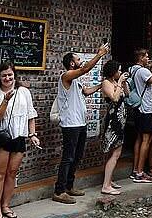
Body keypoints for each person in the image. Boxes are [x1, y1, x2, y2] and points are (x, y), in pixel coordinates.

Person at [0, 62, 39, 218]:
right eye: (4, 75)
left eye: (10, 75)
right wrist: (5, 101)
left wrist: (32, 134)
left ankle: (6, 205)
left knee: (12, 173)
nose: (7, 78)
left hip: (18, 136)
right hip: (1, 137)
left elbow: (30, 114)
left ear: (14, 75)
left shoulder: (24, 92)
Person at [53, 44, 108, 203]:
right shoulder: (66, 76)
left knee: (76, 156)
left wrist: (100, 85)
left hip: (80, 123)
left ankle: (69, 186)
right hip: (70, 124)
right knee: (68, 157)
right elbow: (84, 69)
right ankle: (59, 190)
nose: (80, 62)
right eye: (78, 59)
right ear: (71, 63)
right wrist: (99, 55)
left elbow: (87, 91)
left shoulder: (76, 82)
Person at [129, 49, 152, 183]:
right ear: (140, 58)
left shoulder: (132, 69)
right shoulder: (143, 71)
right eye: (146, 56)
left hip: (138, 108)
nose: (148, 58)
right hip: (146, 109)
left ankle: (135, 169)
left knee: (138, 138)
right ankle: (140, 172)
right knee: (146, 140)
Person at [98, 59, 127, 195]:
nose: (120, 72)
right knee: (115, 152)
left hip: (120, 120)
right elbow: (114, 99)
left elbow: (127, 95)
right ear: (113, 72)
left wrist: (123, 84)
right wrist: (120, 83)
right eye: (118, 70)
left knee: (113, 152)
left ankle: (109, 180)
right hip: (113, 121)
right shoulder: (106, 83)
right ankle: (106, 185)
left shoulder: (116, 82)